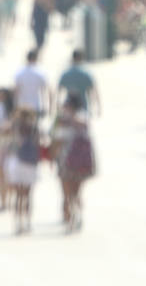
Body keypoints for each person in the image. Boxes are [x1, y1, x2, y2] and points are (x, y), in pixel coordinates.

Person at [50, 97, 96, 233]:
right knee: (74, 193)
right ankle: (74, 217)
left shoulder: (65, 121)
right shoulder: (80, 119)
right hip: (79, 163)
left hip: (67, 162)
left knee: (70, 193)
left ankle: (72, 218)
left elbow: (56, 141)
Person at [4, 107, 41, 235]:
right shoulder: (34, 128)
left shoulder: (15, 127)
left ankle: (18, 222)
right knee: (28, 195)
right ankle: (27, 222)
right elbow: (39, 143)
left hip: (17, 162)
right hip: (30, 163)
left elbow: (8, 144)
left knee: (18, 195)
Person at [56, 49, 99, 116]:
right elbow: (94, 92)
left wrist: (57, 106)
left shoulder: (66, 73)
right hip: (83, 106)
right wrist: (98, 107)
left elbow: (58, 91)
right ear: (82, 58)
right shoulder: (86, 74)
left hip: (69, 107)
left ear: (72, 58)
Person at [13, 50, 50, 116]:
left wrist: (15, 105)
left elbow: (16, 91)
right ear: (36, 58)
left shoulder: (19, 73)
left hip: (22, 106)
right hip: (35, 105)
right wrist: (45, 106)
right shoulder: (40, 73)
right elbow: (44, 91)